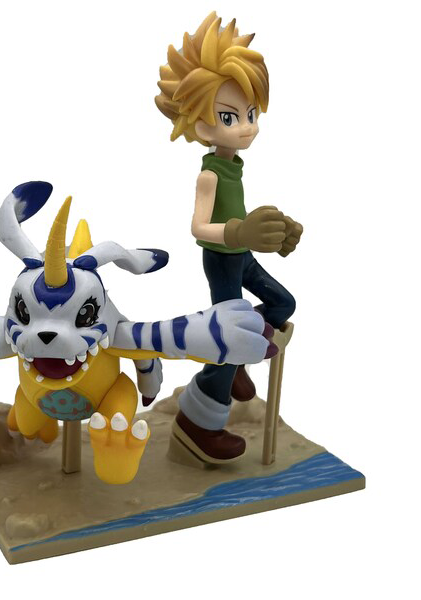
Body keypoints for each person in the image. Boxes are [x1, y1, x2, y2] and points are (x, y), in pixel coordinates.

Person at [155, 12, 303, 463]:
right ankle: (199, 423)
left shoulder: (234, 165)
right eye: (229, 116)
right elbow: (199, 228)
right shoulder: (209, 174)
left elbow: (240, 216)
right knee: (227, 337)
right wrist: (241, 231)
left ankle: (237, 363)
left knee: (282, 304)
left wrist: (279, 228)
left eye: (251, 113)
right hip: (222, 260)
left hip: (242, 255)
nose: (247, 125)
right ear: (201, 126)